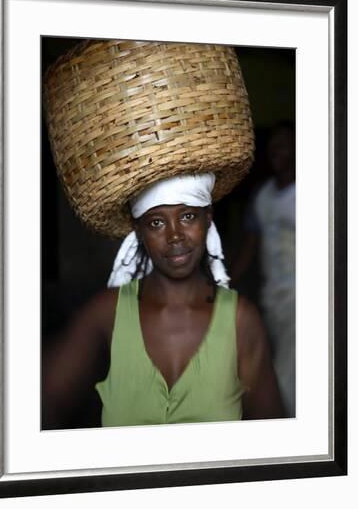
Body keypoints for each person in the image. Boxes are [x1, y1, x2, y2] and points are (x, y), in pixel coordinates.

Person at [43, 173, 283, 428]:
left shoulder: (240, 321)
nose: (174, 236)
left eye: (187, 216)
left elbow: (276, 439)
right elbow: (42, 404)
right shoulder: (107, 313)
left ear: (208, 218)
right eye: (156, 223)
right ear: (139, 231)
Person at [230, 121, 296, 417]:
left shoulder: (319, 190)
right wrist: (225, 282)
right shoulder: (263, 196)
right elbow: (249, 248)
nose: (276, 152)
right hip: (274, 299)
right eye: (273, 147)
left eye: (284, 144)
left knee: (287, 373)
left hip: (306, 298)